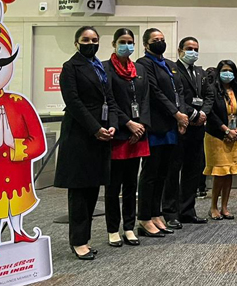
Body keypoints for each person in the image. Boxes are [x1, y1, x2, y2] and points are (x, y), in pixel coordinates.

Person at [55, 26, 119, 260]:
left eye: (94, 40)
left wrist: (113, 124)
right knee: (80, 192)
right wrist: (95, 129)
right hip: (81, 136)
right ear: (76, 43)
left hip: (102, 136)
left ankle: (86, 238)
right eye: (85, 39)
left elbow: (110, 100)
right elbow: (73, 102)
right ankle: (78, 241)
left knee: (93, 189)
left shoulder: (100, 68)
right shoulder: (70, 68)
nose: (90, 43)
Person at [136, 29, 193, 237]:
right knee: (150, 174)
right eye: (155, 40)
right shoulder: (143, 64)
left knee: (163, 173)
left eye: (162, 40)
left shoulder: (170, 65)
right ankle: (144, 217)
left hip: (172, 127)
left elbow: (179, 92)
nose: (159, 43)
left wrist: (183, 116)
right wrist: (176, 114)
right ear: (146, 44)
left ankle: (156, 213)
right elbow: (155, 92)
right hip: (156, 126)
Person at [103, 29, 151, 248]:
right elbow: (109, 100)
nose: (127, 46)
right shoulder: (105, 68)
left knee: (132, 185)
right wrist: (127, 124)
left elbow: (145, 99)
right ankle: (113, 229)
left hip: (138, 134)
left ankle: (129, 227)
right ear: (114, 44)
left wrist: (141, 126)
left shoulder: (139, 68)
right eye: (122, 42)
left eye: (130, 42)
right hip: (119, 133)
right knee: (114, 187)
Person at [164, 37, 211, 227]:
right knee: (173, 171)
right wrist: (192, 114)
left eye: (196, 49)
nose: (193, 52)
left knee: (193, 170)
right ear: (180, 50)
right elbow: (176, 97)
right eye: (189, 48)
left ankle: (187, 210)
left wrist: (204, 113)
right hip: (181, 127)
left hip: (198, 128)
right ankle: (170, 212)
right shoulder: (173, 71)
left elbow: (209, 96)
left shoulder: (200, 72)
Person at [204, 60, 237, 220]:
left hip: (235, 136)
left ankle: (225, 207)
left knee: (230, 172)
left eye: (230, 70)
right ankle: (214, 207)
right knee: (220, 172)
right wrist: (226, 129)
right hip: (217, 136)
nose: (227, 73)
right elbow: (210, 113)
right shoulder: (212, 90)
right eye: (224, 70)